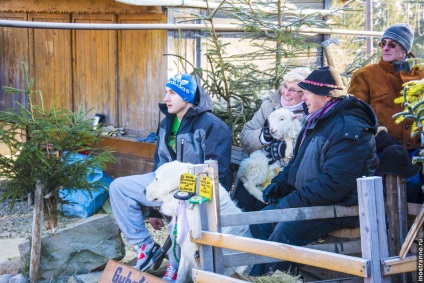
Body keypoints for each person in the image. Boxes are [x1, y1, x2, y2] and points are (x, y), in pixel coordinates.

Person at [249, 66, 378, 276]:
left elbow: (334, 184)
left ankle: (264, 279)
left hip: (342, 207)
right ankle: (272, 275)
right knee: (261, 221)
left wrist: (291, 202)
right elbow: (296, 164)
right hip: (314, 200)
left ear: (327, 97)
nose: (304, 97)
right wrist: (279, 185)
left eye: (308, 92)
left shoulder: (350, 129)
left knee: (286, 231)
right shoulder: (317, 121)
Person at [109, 74, 232, 282]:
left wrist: (187, 199)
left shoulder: (212, 125)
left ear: (188, 97)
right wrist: (153, 209)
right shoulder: (167, 123)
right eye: (166, 91)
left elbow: (218, 173)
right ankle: (146, 247)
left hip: (195, 192)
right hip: (165, 187)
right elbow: (159, 164)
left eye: (172, 93)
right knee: (119, 187)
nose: (166, 97)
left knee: (180, 210)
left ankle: (176, 267)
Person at [348, 23, 424, 203]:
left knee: (414, 195)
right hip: (382, 150)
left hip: (417, 152)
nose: (386, 48)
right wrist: (379, 135)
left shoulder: (421, 76)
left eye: (392, 44)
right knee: (386, 197)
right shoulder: (366, 75)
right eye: (383, 43)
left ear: (405, 49)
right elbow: (354, 114)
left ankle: (414, 230)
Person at [233, 67, 312, 212]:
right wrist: (264, 137)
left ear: (306, 92)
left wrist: (287, 149)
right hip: (261, 168)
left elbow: (311, 149)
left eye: (293, 90)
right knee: (243, 203)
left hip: (287, 178)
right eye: (285, 86)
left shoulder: (311, 112)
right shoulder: (269, 106)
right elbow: (245, 137)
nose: (286, 93)